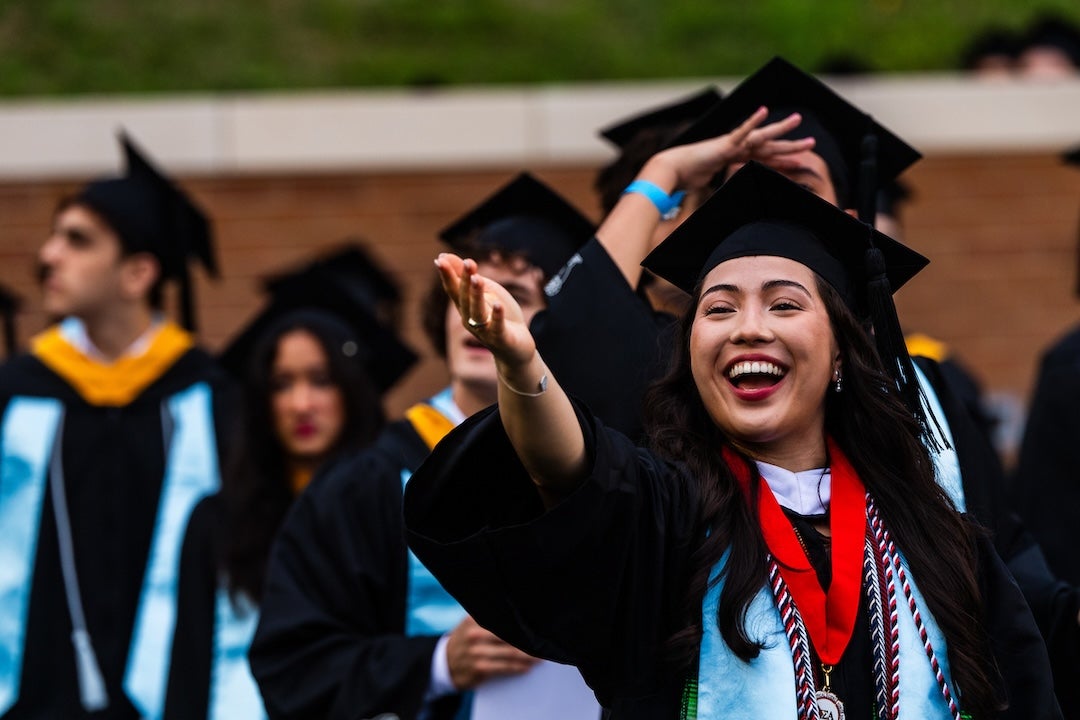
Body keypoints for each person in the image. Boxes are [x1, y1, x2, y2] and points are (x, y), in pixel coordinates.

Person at [405, 162, 1061, 719]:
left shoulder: (937, 537)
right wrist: (523, 368)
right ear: (690, 353)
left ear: (839, 357)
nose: (748, 328)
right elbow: (571, 470)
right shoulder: (666, 518)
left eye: (784, 304)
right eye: (718, 309)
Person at [249, 172, 602, 720]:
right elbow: (290, 664)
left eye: (517, 294)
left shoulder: (605, 469)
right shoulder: (363, 484)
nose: (482, 309)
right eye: (467, 289)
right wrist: (438, 663)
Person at [0, 132, 230, 719]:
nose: (48, 256)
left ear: (137, 273)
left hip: (176, 694)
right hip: (34, 697)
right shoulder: (20, 391)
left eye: (77, 241)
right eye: (55, 237)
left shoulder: (209, 396)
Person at [163, 253, 417, 719]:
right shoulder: (217, 519)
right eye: (282, 384)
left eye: (321, 381)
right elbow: (189, 667)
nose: (301, 404)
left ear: (352, 391)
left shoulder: (397, 511)